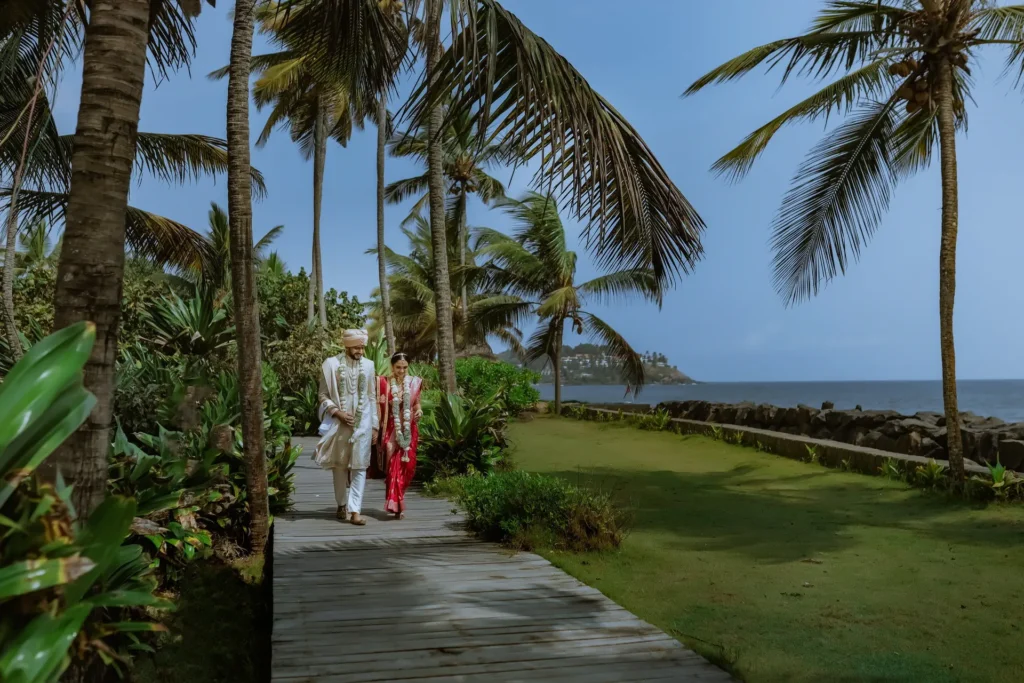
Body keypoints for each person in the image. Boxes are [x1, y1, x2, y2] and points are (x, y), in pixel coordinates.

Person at [314, 329, 379, 525]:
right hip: (339, 424)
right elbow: (322, 396)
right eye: (357, 347)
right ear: (347, 346)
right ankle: (341, 504)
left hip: (363, 423)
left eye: (362, 347)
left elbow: (371, 396)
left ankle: (355, 511)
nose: (361, 350)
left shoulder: (369, 365)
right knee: (340, 466)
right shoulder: (331, 365)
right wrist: (338, 413)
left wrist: (374, 425)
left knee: (360, 466)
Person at [377, 352, 423, 519]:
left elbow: (417, 404)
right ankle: (396, 503)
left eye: (404, 367)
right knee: (393, 467)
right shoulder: (384, 383)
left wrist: (419, 411)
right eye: (398, 367)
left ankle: (399, 497)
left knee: (408, 467)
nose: (401, 371)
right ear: (392, 366)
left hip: (409, 429)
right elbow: (377, 405)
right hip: (391, 429)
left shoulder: (414, 383)